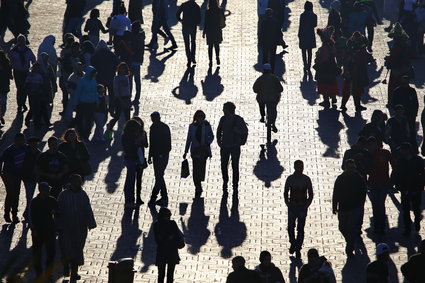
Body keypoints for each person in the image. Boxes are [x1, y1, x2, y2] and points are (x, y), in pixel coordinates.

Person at [57, 174, 96, 280]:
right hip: (66, 227)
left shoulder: (83, 195)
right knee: (66, 248)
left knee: (77, 249)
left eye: (80, 181)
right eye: (76, 181)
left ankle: (74, 272)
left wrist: (91, 223)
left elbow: (87, 208)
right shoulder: (63, 195)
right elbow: (58, 211)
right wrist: (58, 226)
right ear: (71, 182)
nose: (79, 183)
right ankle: (65, 267)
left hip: (80, 227)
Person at [332, 159, 367, 257]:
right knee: (342, 227)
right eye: (349, 168)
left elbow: (363, 192)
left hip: (354, 208)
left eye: (353, 168)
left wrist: (360, 204)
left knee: (351, 228)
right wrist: (334, 206)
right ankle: (350, 241)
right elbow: (336, 192)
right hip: (343, 207)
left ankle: (350, 247)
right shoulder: (340, 178)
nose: (351, 169)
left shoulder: (359, 178)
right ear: (346, 168)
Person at [391, 143, 424, 235]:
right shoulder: (400, 160)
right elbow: (396, 172)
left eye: (402, 150)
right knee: (405, 210)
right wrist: (396, 184)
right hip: (404, 188)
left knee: (416, 208)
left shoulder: (417, 160)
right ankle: (407, 229)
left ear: (408, 150)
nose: (401, 151)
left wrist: (420, 186)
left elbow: (422, 173)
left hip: (415, 188)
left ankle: (417, 221)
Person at [216, 102, 248, 194]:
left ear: (228, 110)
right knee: (223, 165)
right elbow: (219, 130)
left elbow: (245, 131)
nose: (223, 111)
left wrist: (238, 131)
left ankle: (235, 184)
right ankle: (225, 181)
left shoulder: (239, 119)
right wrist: (219, 141)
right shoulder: (223, 119)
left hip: (235, 146)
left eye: (224, 109)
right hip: (225, 146)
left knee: (235, 166)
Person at [284, 160, 313, 259]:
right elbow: (286, 192)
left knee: (300, 228)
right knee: (291, 227)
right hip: (292, 206)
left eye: (302, 166)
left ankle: (298, 247)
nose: (301, 169)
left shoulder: (306, 179)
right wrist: (288, 203)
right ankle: (293, 243)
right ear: (295, 167)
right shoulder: (290, 179)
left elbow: (311, 194)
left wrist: (306, 205)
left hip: (302, 207)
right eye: (299, 167)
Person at [29, 182, 58, 280]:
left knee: (51, 253)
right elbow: (31, 216)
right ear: (42, 191)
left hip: (50, 230)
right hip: (38, 231)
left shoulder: (52, 200)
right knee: (37, 254)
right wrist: (33, 229)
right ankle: (39, 273)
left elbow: (58, 212)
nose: (49, 191)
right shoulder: (34, 202)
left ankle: (48, 273)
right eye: (47, 190)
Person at [183, 110, 214, 197]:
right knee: (195, 169)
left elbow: (211, 136)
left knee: (201, 169)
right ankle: (197, 186)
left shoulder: (207, 126)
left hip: (204, 151)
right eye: (199, 117)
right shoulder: (192, 126)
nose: (200, 119)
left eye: (202, 117)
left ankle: (199, 183)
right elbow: (189, 139)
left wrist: (207, 144)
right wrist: (186, 151)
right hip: (195, 151)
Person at [367, 137, 393, 236]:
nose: (371, 147)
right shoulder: (367, 154)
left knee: (380, 204)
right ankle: (377, 226)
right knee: (375, 205)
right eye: (370, 145)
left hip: (383, 182)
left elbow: (393, 163)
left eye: (372, 144)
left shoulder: (385, 153)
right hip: (373, 183)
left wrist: (392, 179)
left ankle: (381, 227)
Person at [0, 133, 26, 223]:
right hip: (8, 174)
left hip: (18, 175)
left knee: (16, 194)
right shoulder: (10, 150)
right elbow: (1, 160)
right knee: (11, 193)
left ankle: (14, 214)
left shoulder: (25, 148)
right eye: (21, 139)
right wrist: (1, 173)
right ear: (16, 140)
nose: (23, 141)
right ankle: (7, 214)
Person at [384, 23, 412, 106]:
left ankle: (392, 102)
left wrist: (388, 60)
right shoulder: (406, 46)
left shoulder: (396, 47)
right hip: (405, 69)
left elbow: (393, 58)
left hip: (396, 69)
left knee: (393, 86)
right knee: (403, 85)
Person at [340, 31, 369, 112]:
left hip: (357, 73)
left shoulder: (354, 51)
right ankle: (344, 105)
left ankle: (356, 106)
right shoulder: (351, 53)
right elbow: (346, 63)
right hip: (352, 73)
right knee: (350, 90)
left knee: (356, 90)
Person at [148, 112, 172, 207]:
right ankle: (163, 197)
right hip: (156, 156)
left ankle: (156, 197)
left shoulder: (164, 128)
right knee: (159, 176)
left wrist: (163, 153)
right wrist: (150, 156)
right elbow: (151, 143)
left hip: (162, 156)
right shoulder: (153, 128)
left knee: (159, 175)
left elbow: (168, 143)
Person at [154, 207, 183, 283]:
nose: (169, 217)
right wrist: (170, 237)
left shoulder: (172, 223)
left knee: (170, 274)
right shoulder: (157, 225)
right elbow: (159, 240)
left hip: (171, 252)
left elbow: (175, 235)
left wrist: (167, 237)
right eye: (167, 215)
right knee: (161, 274)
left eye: (170, 215)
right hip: (162, 252)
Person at [8, 34, 36, 112]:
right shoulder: (13, 51)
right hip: (17, 72)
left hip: (26, 72)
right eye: (20, 41)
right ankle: (20, 105)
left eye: (22, 41)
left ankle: (23, 102)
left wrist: (33, 69)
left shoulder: (28, 51)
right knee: (20, 89)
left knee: (25, 88)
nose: (21, 43)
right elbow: (9, 62)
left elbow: (33, 60)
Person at [313, 26, 340, 107]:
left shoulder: (324, 48)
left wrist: (317, 58)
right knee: (332, 82)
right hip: (332, 66)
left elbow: (321, 59)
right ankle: (333, 97)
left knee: (324, 85)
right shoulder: (331, 44)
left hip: (324, 68)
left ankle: (326, 101)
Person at [91, 40, 119, 115]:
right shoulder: (111, 54)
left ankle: (103, 107)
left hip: (100, 78)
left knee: (102, 93)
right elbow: (117, 63)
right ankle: (111, 107)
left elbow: (92, 64)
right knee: (111, 93)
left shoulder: (96, 55)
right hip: (110, 77)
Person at [391, 75, 419, 151]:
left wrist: (414, 113)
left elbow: (415, 103)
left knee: (411, 132)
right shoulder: (397, 91)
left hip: (410, 115)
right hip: (400, 115)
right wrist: (397, 112)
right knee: (401, 132)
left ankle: (413, 148)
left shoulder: (412, 91)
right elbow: (393, 103)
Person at [253, 63, 282, 132]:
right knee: (273, 111)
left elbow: (255, 89)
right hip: (273, 99)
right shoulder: (275, 78)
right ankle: (274, 124)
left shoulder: (260, 79)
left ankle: (262, 117)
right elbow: (281, 89)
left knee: (261, 105)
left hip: (262, 98)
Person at [72, 66, 99, 141]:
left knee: (89, 120)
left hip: (91, 103)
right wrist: (75, 103)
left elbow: (95, 92)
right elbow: (78, 92)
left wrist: (97, 101)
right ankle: (80, 134)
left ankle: (86, 136)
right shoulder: (82, 81)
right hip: (83, 103)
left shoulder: (94, 80)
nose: (94, 75)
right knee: (80, 119)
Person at [121, 119, 143, 209]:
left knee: (131, 179)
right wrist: (137, 142)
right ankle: (129, 201)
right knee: (130, 180)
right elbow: (130, 148)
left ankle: (130, 200)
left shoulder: (126, 136)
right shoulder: (129, 137)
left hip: (130, 159)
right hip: (131, 159)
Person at [107, 62, 131, 133]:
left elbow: (128, 89)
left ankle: (128, 132)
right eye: (121, 69)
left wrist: (129, 99)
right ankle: (110, 129)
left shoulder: (126, 77)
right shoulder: (116, 78)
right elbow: (116, 90)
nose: (122, 70)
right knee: (117, 116)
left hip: (126, 98)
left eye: (124, 69)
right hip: (119, 98)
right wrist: (120, 100)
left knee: (127, 116)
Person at [21, 136, 41, 221]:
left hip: (34, 178)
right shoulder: (25, 152)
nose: (35, 145)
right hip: (27, 177)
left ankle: (27, 212)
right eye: (33, 143)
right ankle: (28, 214)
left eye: (36, 143)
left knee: (30, 196)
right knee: (29, 196)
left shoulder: (39, 153)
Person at [177, 0, 201, 68]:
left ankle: (188, 59)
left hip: (185, 26)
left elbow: (177, 14)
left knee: (187, 44)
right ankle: (193, 57)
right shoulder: (196, 6)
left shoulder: (184, 5)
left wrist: (181, 20)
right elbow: (199, 19)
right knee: (193, 42)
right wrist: (196, 23)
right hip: (193, 27)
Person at [203, 0, 225, 67]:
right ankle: (217, 57)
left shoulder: (208, 11)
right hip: (217, 30)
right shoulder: (220, 10)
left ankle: (210, 61)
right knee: (217, 45)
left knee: (210, 46)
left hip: (209, 31)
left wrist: (204, 32)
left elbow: (206, 23)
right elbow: (224, 19)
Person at [132, 116, 149, 205]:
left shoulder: (143, 133)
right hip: (132, 158)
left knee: (139, 179)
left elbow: (146, 145)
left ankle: (138, 197)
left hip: (140, 158)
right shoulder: (130, 134)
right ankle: (132, 198)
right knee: (131, 179)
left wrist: (142, 140)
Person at [259, 8, 281, 72]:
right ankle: (272, 70)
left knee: (265, 56)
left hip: (265, 42)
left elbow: (261, 33)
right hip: (273, 41)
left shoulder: (263, 22)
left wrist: (260, 41)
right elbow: (278, 31)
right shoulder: (275, 21)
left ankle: (265, 70)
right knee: (273, 56)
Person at [298, 1, 317, 71]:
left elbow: (300, 25)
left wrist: (299, 34)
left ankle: (305, 64)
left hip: (303, 33)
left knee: (303, 50)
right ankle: (309, 65)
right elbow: (315, 25)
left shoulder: (302, 15)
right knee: (309, 51)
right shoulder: (314, 15)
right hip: (310, 34)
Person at [129, 21, 145, 105]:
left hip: (132, 59)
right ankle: (137, 97)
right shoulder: (141, 36)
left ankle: (129, 95)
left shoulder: (133, 37)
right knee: (137, 80)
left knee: (130, 79)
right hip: (138, 60)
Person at [0, 50, 13, 126]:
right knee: (3, 103)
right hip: (4, 86)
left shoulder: (6, 65)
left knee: (3, 102)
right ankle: (1, 115)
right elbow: (10, 76)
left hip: (4, 86)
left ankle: (1, 115)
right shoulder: (6, 64)